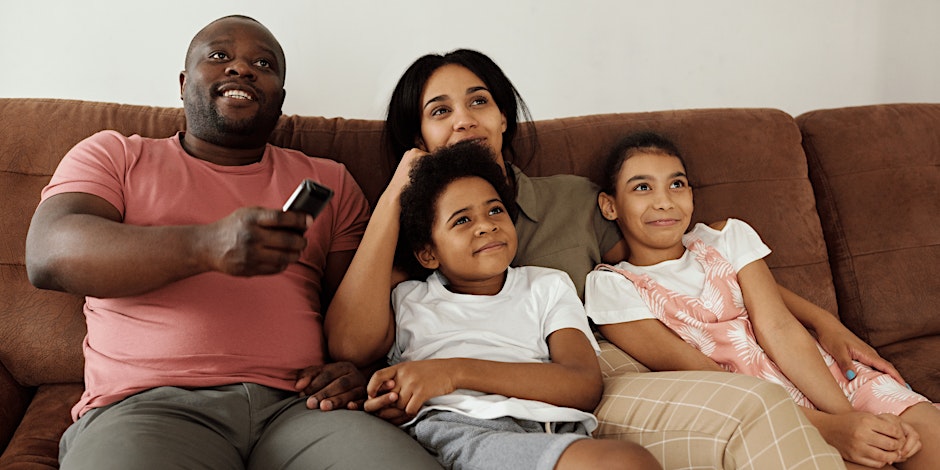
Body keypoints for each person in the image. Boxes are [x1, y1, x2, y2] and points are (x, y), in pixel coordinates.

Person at [325, 48, 847, 467]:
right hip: (489, 409)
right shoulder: (418, 237)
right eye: (440, 111)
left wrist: (822, 319)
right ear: (420, 138)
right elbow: (351, 342)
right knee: (750, 410)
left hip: (602, 366)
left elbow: (675, 261)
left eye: (478, 101)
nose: (465, 120)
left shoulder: (572, 200)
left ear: (503, 115)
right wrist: (400, 186)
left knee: (754, 407)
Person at [24, 15, 440, 470]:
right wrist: (206, 246)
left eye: (263, 63)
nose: (241, 69)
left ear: (279, 100)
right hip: (148, 407)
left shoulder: (328, 180)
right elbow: (48, 254)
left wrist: (358, 372)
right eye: (219, 56)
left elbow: (356, 313)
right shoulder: (116, 155)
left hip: (302, 408)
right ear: (183, 84)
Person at [586, 131, 940, 469]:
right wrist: (833, 430)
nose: (664, 201)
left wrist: (851, 419)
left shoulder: (726, 238)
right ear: (610, 205)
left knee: (929, 442)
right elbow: (708, 379)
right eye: (642, 187)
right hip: (770, 420)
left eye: (676, 184)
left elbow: (779, 327)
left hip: (832, 383)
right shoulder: (613, 287)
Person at [363, 140, 661, 469]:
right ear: (428, 253)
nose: (487, 225)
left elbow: (583, 385)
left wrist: (454, 372)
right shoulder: (408, 299)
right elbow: (372, 367)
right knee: (626, 463)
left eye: (495, 210)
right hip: (462, 429)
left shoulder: (547, 285)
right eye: (462, 220)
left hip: (552, 428)